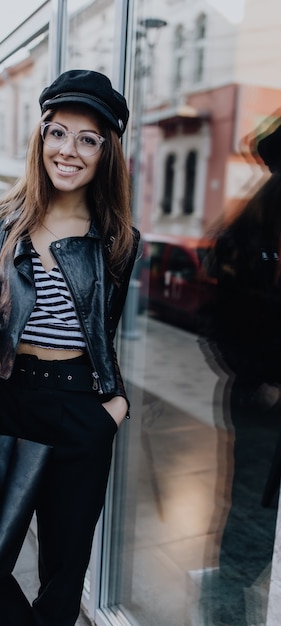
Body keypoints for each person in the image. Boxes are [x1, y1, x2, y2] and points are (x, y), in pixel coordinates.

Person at [0, 69, 140, 626]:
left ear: (106, 153)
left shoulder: (118, 238)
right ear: (41, 137)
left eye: (88, 138)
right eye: (58, 131)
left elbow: (104, 335)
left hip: (79, 411)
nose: (68, 150)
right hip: (6, 405)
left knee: (62, 580)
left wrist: (113, 410)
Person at [200, 118, 281, 625]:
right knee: (253, 502)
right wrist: (263, 379)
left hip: (260, 388)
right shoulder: (254, 229)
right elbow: (220, 318)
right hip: (262, 396)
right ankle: (232, 596)